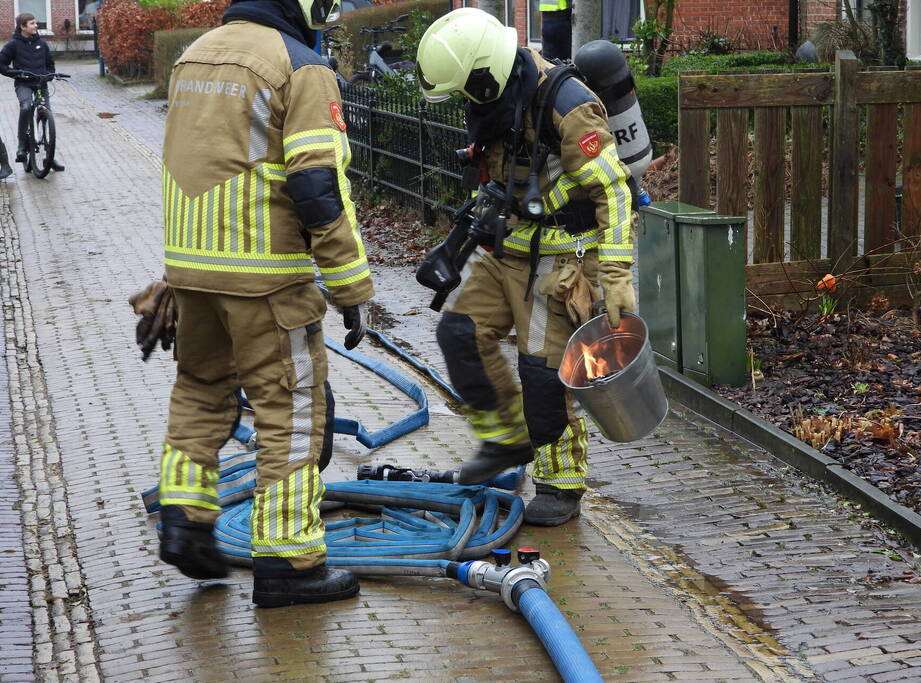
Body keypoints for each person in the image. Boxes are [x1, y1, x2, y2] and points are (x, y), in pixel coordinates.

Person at [130, 0, 374, 608]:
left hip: (191, 272)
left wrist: (176, 275)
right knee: (289, 411)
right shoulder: (301, 67)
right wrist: (351, 288)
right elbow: (317, 185)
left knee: (199, 389)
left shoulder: (193, 55)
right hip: (267, 279)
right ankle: (289, 562)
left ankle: (186, 520)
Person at [415, 8, 636, 526]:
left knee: (542, 374)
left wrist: (617, 276)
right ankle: (506, 441)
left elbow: (614, 191)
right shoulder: (496, 101)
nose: (467, 100)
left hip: (562, 258)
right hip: (510, 249)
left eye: (469, 88)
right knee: (459, 333)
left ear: (485, 72)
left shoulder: (569, 103)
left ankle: (561, 485)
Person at [0, 14, 64, 172]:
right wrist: (15, 73)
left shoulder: (42, 44)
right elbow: (1, 64)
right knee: (26, 107)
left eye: (36, 23)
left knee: (47, 114)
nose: (36, 26)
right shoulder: (13, 45)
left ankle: (49, 157)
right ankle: (22, 144)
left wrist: (50, 74)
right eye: (32, 23)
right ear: (23, 26)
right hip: (24, 84)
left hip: (40, 84)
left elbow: (50, 64)